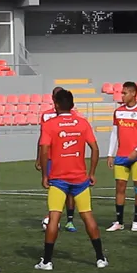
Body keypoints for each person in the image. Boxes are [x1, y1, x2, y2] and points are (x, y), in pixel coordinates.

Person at [36, 89, 107, 270]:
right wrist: (91, 172)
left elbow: (44, 151)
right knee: (88, 217)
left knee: (53, 218)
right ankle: (100, 258)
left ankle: (47, 261)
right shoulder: (82, 123)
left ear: (56, 105)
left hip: (58, 180)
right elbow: (95, 149)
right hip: (80, 179)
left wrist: (45, 174)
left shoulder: (50, 125)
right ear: (72, 105)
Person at [106, 81, 137, 232]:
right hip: (121, 156)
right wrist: (110, 154)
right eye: (122, 92)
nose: (122, 95)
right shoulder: (118, 111)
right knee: (120, 188)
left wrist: (136, 151)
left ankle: (136, 220)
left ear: (133, 93)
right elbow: (114, 133)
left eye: (125, 93)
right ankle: (119, 221)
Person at [37, 86, 78, 233]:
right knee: (55, 188)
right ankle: (54, 217)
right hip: (50, 158)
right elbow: (42, 139)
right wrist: (38, 158)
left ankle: (70, 220)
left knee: (70, 191)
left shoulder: (74, 116)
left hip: (68, 157)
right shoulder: (46, 116)